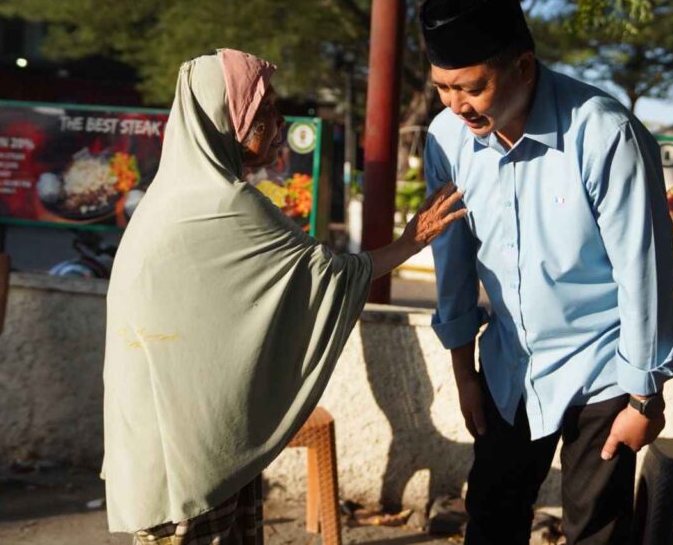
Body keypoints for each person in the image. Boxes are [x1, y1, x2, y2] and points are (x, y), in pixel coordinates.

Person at [102, 49, 465, 544]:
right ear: (226, 121)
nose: (279, 122)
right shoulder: (228, 203)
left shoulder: (166, 197)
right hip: (189, 451)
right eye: (264, 109)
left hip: (154, 436)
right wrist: (410, 242)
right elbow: (326, 276)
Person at [421, 0, 673, 544]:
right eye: (442, 88)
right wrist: (464, 375)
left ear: (523, 67)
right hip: (508, 367)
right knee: (490, 519)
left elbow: (644, 272)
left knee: (597, 533)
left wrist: (644, 397)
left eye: (471, 88)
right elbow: (451, 263)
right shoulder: (446, 138)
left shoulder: (605, 133)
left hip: (603, 371)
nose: (456, 106)